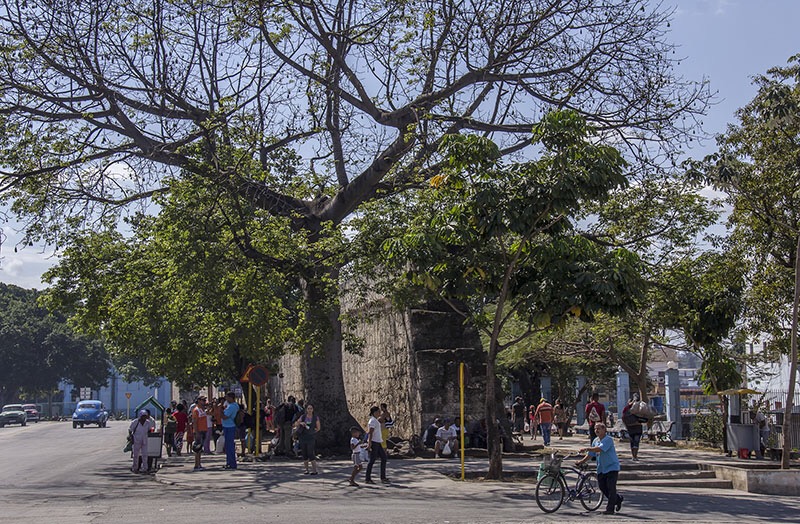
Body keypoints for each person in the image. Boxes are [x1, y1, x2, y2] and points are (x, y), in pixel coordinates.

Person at [576, 422, 623, 515]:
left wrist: (587, 448)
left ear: (604, 430)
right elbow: (591, 455)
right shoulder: (595, 440)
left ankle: (610, 509)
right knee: (602, 487)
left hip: (612, 467)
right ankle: (617, 499)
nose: (596, 430)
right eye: (595, 429)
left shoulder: (608, 439)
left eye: (599, 429)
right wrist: (581, 462)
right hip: (601, 468)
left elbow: (599, 449)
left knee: (611, 488)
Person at [365, 406, 389, 484]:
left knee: (384, 458)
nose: (379, 413)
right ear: (374, 412)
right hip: (374, 442)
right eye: (378, 412)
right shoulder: (372, 421)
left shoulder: (375, 420)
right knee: (372, 460)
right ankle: (367, 478)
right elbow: (370, 432)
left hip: (378, 442)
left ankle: (383, 477)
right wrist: (369, 443)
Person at [294, 404, 321, 474]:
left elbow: (318, 428)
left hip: (311, 437)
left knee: (310, 452)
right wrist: (301, 423)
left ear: (313, 410)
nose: (309, 410)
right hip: (303, 437)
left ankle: (314, 470)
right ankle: (306, 470)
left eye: (311, 408)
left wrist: (313, 431)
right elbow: (296, 424)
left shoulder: (315, 418)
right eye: (308, 408)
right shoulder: (303, 417)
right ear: (306, 409)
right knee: (304, 453)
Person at [622, 394, 644, 461]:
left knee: (632, 442)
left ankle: (633, 456)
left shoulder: (626, 408)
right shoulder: (638, 408)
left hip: (630, 428)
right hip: (638, 427)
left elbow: (623, 418)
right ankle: (635, 456)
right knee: (636, 442)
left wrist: (626, 425)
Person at [221, 392, 239, 469]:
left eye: (227, 397)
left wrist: (219, 411)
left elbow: (225, 416)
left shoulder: (232, 406)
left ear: (231, 398)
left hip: (229, 426)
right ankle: (229, 462)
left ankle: (232, 463)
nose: (226, 399)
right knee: (228, 446)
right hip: (227, 426)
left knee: (229, 446)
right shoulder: (232, 406)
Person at [191, 396, 209, 471]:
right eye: (203, 400)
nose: (204, 402)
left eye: (205, 400)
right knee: (197, 449)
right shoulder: (196, 410)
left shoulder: (202, 410)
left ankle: (199, 464)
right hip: (199, 431)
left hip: (203, 430)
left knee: (200, 448)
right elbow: (194, 422)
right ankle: (196, 465)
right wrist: (196, 432)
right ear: (199, 401)